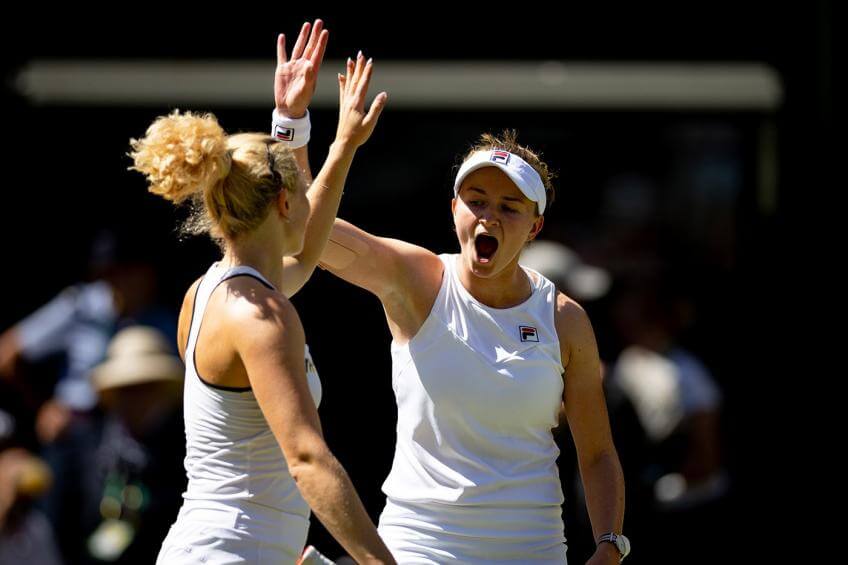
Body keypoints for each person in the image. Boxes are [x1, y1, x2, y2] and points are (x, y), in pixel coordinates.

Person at [130, 20, 393, 564]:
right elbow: (307, 459)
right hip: (229, 552)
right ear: (281, 205)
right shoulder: (263, 316)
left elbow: (305, 253)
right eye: (299, 188)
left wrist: (324, 137)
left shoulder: (212, 292)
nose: (307, 196)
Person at [315, 130, 628, 563]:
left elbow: (597, 452)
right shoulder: (418, 280)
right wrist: (315, 133)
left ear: (535, 226)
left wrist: (610, 543)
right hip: (420, 547)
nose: (488, 217)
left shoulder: (564, 319)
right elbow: (307, 231)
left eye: (508, 207)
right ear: (453, 209)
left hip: (532, 550)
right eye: (476, 200)